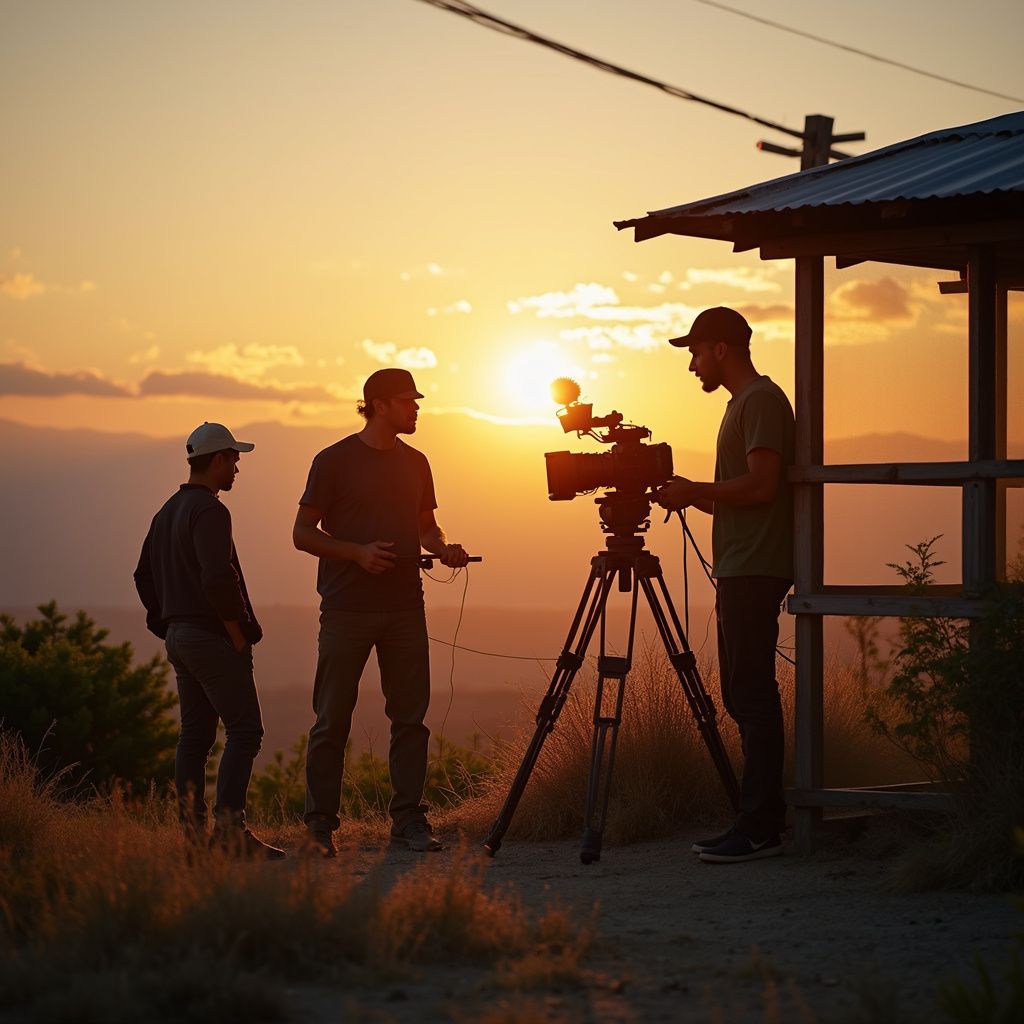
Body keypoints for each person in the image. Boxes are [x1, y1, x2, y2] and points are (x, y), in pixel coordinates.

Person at [293, 368, 469, 857]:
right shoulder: (332, 461)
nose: (417, 408)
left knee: (410, 719)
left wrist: (444, 547)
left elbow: (425, 528)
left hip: (406, 607)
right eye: (408, 401)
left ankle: (409, 820)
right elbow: (302, 534)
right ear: (379, 404)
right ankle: (320, 826)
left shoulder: (417, 463)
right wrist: (356, 554)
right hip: (346, 609)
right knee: (332, 718)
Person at [654, 307, 794, 864]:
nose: (691, 364)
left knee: (751, 695)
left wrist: (696, 491)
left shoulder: (759, 400)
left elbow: (762, 487)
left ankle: (760, 826)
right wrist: (692, 494)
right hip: (743, 563)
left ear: (721, 349)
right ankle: (757, 820)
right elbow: (743, 490)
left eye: (695, 351)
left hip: (755, 565)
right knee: (742, 692)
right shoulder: (742, 404)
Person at [134, 422, 284, 860]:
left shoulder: (167, 511)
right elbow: (218, 577)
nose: (237, 468)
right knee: (245, 730)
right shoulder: (211, 511)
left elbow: (142, 575)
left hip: (180, 638)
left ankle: (194, 840)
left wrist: (167, 623)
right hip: (211, 637)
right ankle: (231, 832)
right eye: (234, 459)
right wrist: (237, 634)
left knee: (194, 738)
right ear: (217, 460)